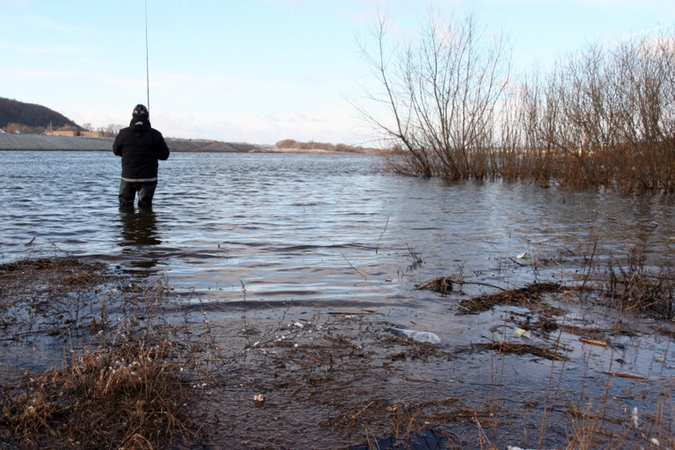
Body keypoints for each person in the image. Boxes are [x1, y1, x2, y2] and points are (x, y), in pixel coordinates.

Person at [113, 104, 170, 209]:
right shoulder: (155, 134)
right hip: (149, 178)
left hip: (128, 177)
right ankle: (146, 224)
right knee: (145, 207)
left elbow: (116, 151)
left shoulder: (123, 133)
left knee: (125, 207)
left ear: (132, 115)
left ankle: (128, 224)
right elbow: (164, 155)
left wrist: (127, 153)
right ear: (147, 116)